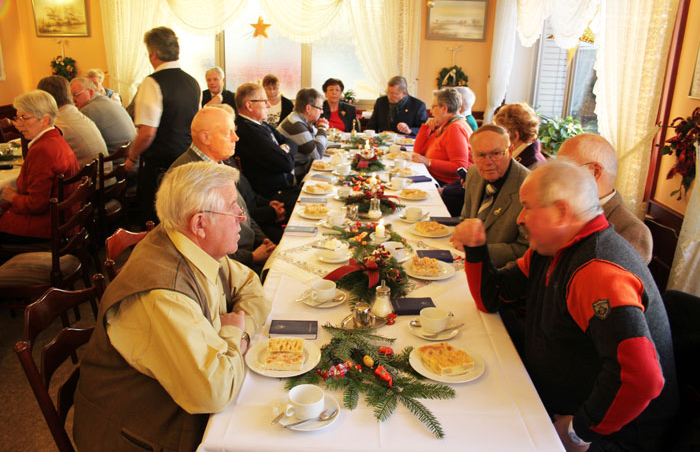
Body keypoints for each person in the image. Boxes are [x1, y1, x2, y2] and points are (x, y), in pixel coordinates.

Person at [455, 159, 678, 451]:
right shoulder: (551, 249)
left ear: (561, 212)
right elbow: (493, 297)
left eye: (527, 207)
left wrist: (578, 431)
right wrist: (475, 248)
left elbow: (643, 378)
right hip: (546, 395)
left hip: (613, 433)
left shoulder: (597, 270)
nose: (520, 218)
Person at [74, 162, 272, 451]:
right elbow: (215, 392)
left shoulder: (192, 245)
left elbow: (252, 287)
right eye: (233, 209)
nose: (241, 218)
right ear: (199, 224)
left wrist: (235, 336)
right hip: (141, 433)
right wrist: (236, 337)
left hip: (178, 400)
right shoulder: (162, 295)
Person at [169, 106, 276, 274]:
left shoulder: (220, 163)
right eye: (228, 133)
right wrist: (252, 257)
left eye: (234, 131)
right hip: (229, 266)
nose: (236, 138)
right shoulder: (189, 178)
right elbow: (200, 246)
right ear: (205, 137)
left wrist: (263, 240)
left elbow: (243, 213)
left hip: (248, 248)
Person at [125, 26, 201, 224]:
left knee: (156, 218)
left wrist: (132, 157)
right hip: (187, 159)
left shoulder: (152, 82)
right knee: (181, 216)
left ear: (154, 53)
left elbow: (147, 133)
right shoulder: (193, 82)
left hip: (161, 164)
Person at [558, 133, 653, 264]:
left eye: (564, 168)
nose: (556, 177)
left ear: (595, 172)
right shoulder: (564, 208)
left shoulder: (633, 231)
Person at [0, 90, 79, 243]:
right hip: (64, 219)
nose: (17, 124)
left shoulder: (42, 150)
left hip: (46, 226)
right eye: (17, 117)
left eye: (24, 118)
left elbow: (36, 205)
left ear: (45, 120)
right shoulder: (55, 138)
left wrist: (13, 197)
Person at [450, 125, 528, 267]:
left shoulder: (528, 187)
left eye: (496, 153)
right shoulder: (474, 173)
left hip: (501, 270)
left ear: (510, 151)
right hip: (466, 261)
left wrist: (478, 251)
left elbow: (525, 249)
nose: (488, 162)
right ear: (472, 155)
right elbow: (465, 218)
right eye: (480, 155)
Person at [234, 82, 299, 214]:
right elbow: (287, 164)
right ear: (249, 105)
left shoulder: (260, 124)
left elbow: (292, 143)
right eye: (264, 101)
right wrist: (284, 153)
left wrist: (285, 148)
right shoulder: (249, 131)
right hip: (272, 196)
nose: (269, 105)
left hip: (283, 188)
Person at [37, 75, 108, 167]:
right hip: (104, 173)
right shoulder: (75, 114)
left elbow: (45, 160)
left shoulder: (58, 124)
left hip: (91, 175)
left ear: (45, 99)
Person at [411, 87, 472, 184]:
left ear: (444, 108)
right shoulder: (445, 125)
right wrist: (426, 127)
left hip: (445, 184)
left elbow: (459, 166)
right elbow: (418, 152)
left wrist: (427, 161)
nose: (431, 111)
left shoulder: (455, 128)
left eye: (433, 107)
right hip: (433, 176)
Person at [69, 77, 136, 154]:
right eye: (71, 96)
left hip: (115, 159)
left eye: (76, 95)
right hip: (132, 155)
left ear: (90, 92)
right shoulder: (108, 101)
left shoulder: (87, 110)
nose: (73, 100)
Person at [277, 88, 329, 180]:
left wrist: (321, 131)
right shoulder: (295, 123)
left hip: (301, 168)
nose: (322, 112)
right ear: (308, 108)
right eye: (320, 108)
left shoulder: (302, 120)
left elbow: (322, 144)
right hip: (293, 175)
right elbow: (317, 154)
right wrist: (322, 128)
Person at [494, 102, 545, 169]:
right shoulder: (527, 156)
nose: (496, 139)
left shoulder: (530, 166)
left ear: (515, 136)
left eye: (499, 133)